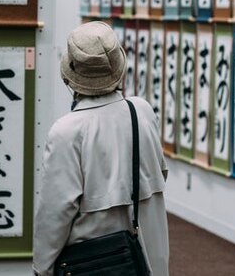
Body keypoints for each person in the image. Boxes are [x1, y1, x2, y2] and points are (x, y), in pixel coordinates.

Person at [32, 21, 169, 276]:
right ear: (118, 68)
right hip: (149, 258)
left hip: (92, 264)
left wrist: (42, 267)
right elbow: (161, 174)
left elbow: (55, 214)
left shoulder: (67, 131)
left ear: (71, 76)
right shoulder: (142, 111)